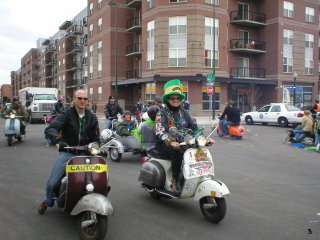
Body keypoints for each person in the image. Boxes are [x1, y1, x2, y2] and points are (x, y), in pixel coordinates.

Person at [38, 89, 100, 214]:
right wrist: (59, 141)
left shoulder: (92, 117)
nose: (82, 101)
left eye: (85, 99)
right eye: (79, 98)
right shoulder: (66, 114)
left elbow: (96, 138)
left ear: (88, 101)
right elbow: (51, 129)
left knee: (98, 176)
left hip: (85, 153)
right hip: (68, 152)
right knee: (53, 182)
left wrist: (96, 146)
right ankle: (47, 200)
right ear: (74, 100)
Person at [155, 79, 215, 193]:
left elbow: (194, 128)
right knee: (178, 151)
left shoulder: (183, 112)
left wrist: (204, 139)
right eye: (173, 98)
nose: (175, 100)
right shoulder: (161, 113)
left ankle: (192, 176)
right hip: (164, 145)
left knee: (196, 150)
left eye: (177, 98)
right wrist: (170, 140)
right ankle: (175, 179)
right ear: (167, 99)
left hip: (181, 143)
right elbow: (159, 130)